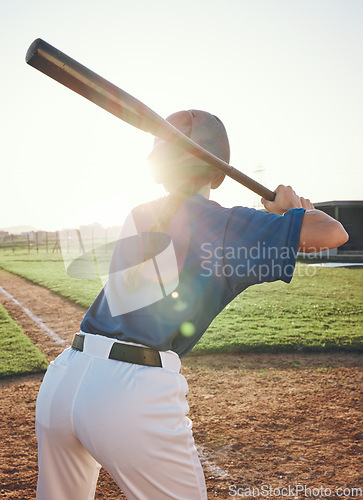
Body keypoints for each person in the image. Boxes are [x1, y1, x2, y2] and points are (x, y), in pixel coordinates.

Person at [35, 110, 348, 500]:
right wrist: (293, 209)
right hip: (130, 395)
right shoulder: (225, 224)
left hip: (65, 377)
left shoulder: (140, 213)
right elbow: (333, 232)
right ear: (218, 173)